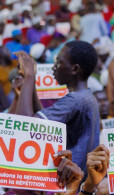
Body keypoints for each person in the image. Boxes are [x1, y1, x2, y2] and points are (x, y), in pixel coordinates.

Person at [15, 41, 99, 172]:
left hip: (71, 182)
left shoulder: (75, 100)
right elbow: (45, 121)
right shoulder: (86, 96)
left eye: (59, 62)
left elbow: (25, 125)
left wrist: (29, 76)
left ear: (74, 69)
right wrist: (30, 87)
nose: (54, 67)